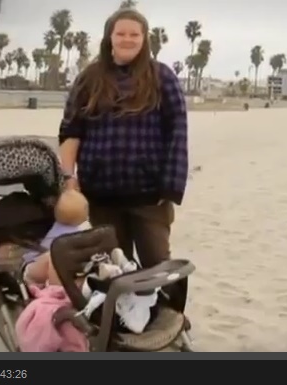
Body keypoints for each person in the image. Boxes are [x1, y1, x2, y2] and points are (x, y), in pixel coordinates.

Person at [57, 9, 188, 275]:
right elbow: (71, 131)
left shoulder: (162, 77)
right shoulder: (89, 78)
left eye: (134, 34)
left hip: (150, 196)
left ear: (144, 39)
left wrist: (170, 187)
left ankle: (169, 316)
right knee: (112, 268)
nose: (127, 39)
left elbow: (178, 131)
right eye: (121, 33)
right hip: (100, 194)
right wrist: (68, 178)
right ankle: (119, 317)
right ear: (109, 37)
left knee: (158, 265)